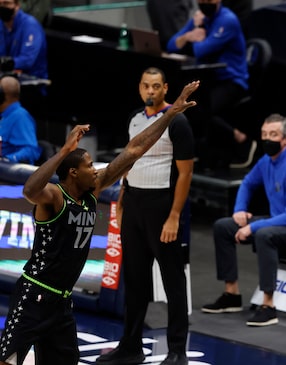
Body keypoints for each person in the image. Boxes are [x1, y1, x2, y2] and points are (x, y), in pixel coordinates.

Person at [0, 80, 199, 365]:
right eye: (89, 166)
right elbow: (29, 190)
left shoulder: (93, 191)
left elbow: (134, 150)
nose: (95, 170)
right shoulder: (54, 197)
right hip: (34, 297)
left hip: (61, 304)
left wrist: (169, 115)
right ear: (72, 173)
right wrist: (63, 150)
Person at [95, 67, 195, 365]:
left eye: (156, 86)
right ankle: (131, 346)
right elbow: (129, 162)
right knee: (135, 279)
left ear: (165, 88)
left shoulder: (178, 122)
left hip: (162, 204)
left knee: (172, 280)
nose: (150, 91)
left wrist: (175, 215)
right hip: (134, 202)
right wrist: (123, 200)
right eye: (145, 86)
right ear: (140, 88)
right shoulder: (135, 118)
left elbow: (186, 173)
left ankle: (178, 350)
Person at [201, 113, 286, 326]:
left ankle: (268, 305)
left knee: (264, 235)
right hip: (278, 220)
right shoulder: (266, 161)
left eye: (273, 135)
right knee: (223, 227)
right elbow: (247, 183)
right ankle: (232, 295)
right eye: (264, 134)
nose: (267, 139)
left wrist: (252, 227)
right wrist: (239, 210)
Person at [166, 0, 255, 169]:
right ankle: (197, 150)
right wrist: (189, 35)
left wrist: (194, 35)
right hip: (208, 78)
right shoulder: (200, 19)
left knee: (198, 107)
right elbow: (171, 45)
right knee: (180, 101)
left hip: (232, 80)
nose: (205, 3)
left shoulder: (228, 20)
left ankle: (242, 139)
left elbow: (202, 49)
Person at [0, 0, 48, 79]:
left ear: (17, 5)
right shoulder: (1, 24)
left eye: (6, 3)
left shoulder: (30, 25)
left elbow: (27, 60)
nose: (2, 7)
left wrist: (5, 63)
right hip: (5, 76)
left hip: (31, 79)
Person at [0, 74, 41, 164]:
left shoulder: (21, 117)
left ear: (2, 95)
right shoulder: (4, 116)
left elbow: (31, 150)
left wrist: (6, 160)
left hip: (6, 173)